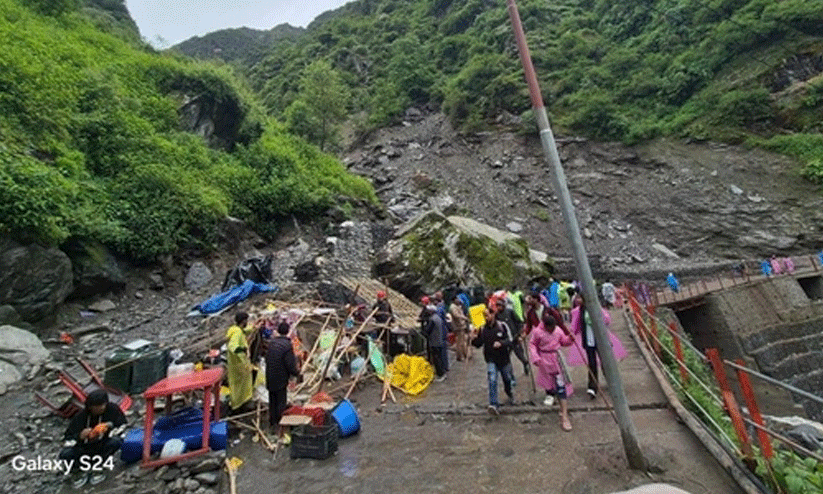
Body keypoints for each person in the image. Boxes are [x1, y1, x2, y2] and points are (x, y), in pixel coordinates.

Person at [60, 389, 126, 487]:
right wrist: (80, 436)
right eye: (98, 406)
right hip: (84, 448)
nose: (101, 408)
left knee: (116, 441)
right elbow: (67, 439)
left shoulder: (112, 409)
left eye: (103, 404)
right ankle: (78, 471)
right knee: (65, 454)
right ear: (90, 407)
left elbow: (122, 424)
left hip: (103, 443)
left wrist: (109, 426)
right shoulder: (80, 417)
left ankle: (100, 466)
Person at [568, 294, 626, 399]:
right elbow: (574, 325)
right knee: (592, 364)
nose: (577, 300)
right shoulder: (578, 311)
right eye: (576, 298)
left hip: (600, 339)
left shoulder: (596, 308)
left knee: (605, 362)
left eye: (580, 297)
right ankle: (592, 387)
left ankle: (612, 382)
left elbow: (607, 320)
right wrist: (571, 335)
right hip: (588, 340)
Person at [529, 311, 574, 431]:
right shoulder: (537, 332)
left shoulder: (558, 330)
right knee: (550, 387)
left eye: (554, 328)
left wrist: (570, 339)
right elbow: (532, 345)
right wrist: (536, 358)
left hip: (557, 360)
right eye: (550, 328)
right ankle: (558, 405)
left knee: (561, 387)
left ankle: (564, 416)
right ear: (545, 326)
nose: (552, 330)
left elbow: (563, 341)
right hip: (544, 361)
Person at [471, 308, 515, 415]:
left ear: (493, 315)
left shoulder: (502, 326)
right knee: (492, 379)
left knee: (507, 379)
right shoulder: (482, 329)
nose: (486, 318)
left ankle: (509, 392)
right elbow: (478, 344)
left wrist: (501, 343)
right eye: (484, 316)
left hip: (504, 359)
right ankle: (493, 404)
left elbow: (510, 341)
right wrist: (473, 338)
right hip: (491, 359)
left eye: (488, 315)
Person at [265, 322, 301, 431]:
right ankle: (281, 423)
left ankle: (272, 422)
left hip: (270, 375)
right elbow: (289, 363)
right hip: (280, 377)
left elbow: (267, 358)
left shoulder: (272, 343)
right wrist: (296, 373)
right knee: (281, 400)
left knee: (272, 400)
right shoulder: (287, 345)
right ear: (288, 332)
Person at [226, 311, 254, 412]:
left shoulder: (235, 329)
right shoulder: (237, 332)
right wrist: (243, 350)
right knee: (241, 384)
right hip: (239, 363)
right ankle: (239, 404)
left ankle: (240, 402)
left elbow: (245, 331)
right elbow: (232, 347)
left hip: (235, 364)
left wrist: (255, 327)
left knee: (240, 384)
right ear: (243, 321)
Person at [494, 297, 529, 375]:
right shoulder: (497, 315)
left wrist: (519, 333)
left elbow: (518, 322)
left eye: (500, 305)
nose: (498, 307)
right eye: (497, 306)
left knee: (519, 354)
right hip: (505, 338)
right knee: (505, 357)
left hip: (514, 336)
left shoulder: (510, 312)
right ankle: (509, 372)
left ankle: (525, 363)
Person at [423, 305, 447, 381]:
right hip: (439, 341)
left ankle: (440, 374)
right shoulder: (438, 318)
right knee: (440, 357)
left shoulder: (432, 319)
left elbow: (427, 330)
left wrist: (423, 331)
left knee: (436, 359)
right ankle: (443, 372)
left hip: (434, 341)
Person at [449, 295, 470, 362]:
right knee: (459, 342)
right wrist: (464, 318)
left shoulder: (457, 306)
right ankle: (460, 356)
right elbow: (456, 315)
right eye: (457, 299)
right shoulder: (453, 307)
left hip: (461, 325)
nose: (459, 300)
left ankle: (464, 354)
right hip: (458, 326)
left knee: (463, 340)